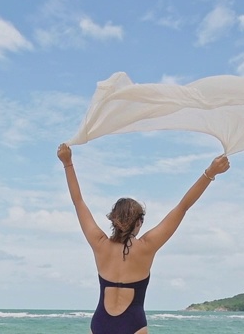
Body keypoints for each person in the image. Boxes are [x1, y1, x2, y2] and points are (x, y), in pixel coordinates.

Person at [56, 143, 230, 334]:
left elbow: (78, 201)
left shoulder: (99, 244)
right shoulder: (147, 246)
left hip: (101, 323)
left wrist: (67, 163)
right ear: (139, 222)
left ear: (113, 219)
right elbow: (182, 207)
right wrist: (210, 173)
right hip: (134, 324)